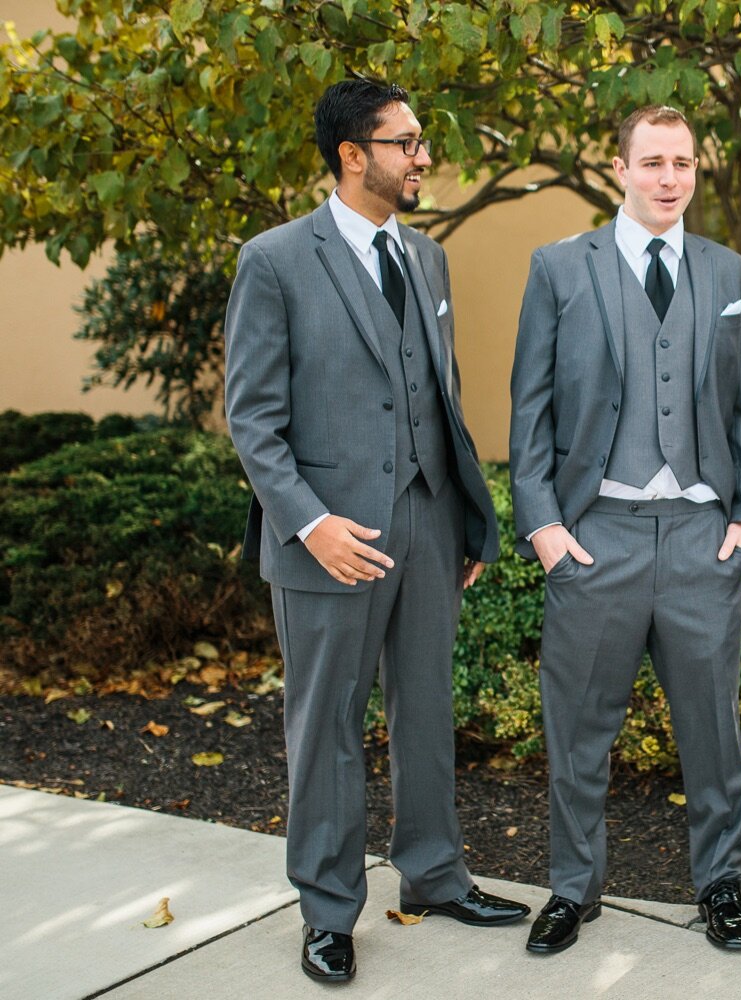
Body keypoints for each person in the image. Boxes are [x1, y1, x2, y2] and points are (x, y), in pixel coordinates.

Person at [223, 79, 529, 984]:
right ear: (353, 156)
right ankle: (326, 909)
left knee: (427, 711)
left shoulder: (427, 259)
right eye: (404, 143)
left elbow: (440, 395)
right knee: (326, 728)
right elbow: (253, 419)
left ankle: (434, 874)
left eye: (420, 140)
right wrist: (310, 527)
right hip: (330, 540)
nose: (422, 157)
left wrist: (465, 514)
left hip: (429, 524)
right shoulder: (275, 261)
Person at [508, 105, 741, 954]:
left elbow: (740, 409)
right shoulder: (559, 268)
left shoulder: (728, 272)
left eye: (682, 163)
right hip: (598, 531)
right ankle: (574, 891)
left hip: (697, 534)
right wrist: (543, 525)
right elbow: (530, 411)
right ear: (620, 168)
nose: (669, 178)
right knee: (578, 729)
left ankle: (720, 884)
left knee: (712, 733)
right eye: (652, 162)